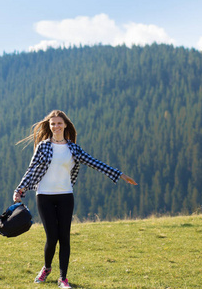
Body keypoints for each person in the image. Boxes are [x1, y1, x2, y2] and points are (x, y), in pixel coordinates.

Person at [13, 110, 137, 289]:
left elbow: (94, 162)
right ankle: (47, 268)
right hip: (44, 196)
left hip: (65, 195)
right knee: (52, 237)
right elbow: (31, 170)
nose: (56, 126)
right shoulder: (43, 146)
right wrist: (20, 189)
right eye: (53, 124)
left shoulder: (73, 148)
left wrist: (120, 175)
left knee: (64, 237)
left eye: (59, 123)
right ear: (49, 126)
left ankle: (63, 278)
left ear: (65, 125)